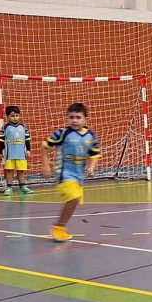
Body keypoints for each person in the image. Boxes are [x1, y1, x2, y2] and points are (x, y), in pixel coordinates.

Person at [41, 103, 101, 242]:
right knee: (73, 198)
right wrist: (46, 165)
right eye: (71, 117)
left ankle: (60, 227)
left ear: (86, 119)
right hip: (64, 173)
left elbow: (95, 154)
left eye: (78, 117)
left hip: (78, 176)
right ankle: (57, 227)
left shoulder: (90, 136)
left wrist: (91, 167)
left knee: (73, 203)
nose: (74, 120)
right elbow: (45, 146)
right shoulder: (62, 133)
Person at [0, 106, 33, 195]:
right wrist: (0, 152)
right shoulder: (5, 127)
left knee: (21, 170)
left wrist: (28, 150)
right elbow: (1, 141)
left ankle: (22, 186)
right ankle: (9, 187)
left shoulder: (23, 127)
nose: (15, 118)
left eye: (17, 115)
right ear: (7, 116)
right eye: (12, 116)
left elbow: (27, 139)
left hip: (21, 153)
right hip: (10, 154)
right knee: (9, 170)